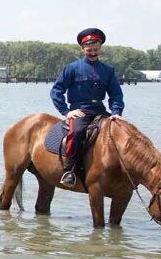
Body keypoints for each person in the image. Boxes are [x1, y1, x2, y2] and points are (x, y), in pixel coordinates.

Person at [50, 27, 125, 187]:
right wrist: (67, 111)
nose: (93, 53)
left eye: (96, 50)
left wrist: (116, 112)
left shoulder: (108, 70)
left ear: (100, 48)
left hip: (100, 110)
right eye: (89, 50)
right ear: (83, 49)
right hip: (80, 111)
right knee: (77, 132)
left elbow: (116, 95)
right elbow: (56, 91)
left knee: (120, 132)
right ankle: (70, 170)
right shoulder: (72, 68)